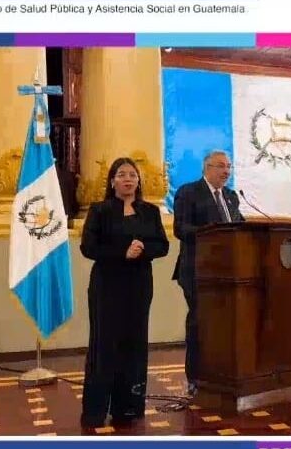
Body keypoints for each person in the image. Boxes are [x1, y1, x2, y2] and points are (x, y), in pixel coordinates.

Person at [80, 157, 169, 429]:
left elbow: (162, 245)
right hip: (107, 284)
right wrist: (122, 253)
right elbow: (88, 248)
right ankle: (95, 410)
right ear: (112, 181)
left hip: (139, 284)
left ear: (138, 181)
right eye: (122, 174)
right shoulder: (99, 211)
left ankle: (128, 407)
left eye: (132, 174)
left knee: (134, 343)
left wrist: (143, 250)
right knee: (104, 345)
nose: (128, 179)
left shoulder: (150, 212)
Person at [172, 150, 245, 397]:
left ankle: (220, 373)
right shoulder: (188, 192)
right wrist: (212, 232)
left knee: (223, 325)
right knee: (200, 322)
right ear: (207, 168)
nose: (226, 171)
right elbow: (180, 228)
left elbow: (240, 226)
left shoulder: (232, 196)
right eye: (221, 166)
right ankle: (195, 377)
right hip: (197, 270)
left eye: (229, 167)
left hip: (229, 273)